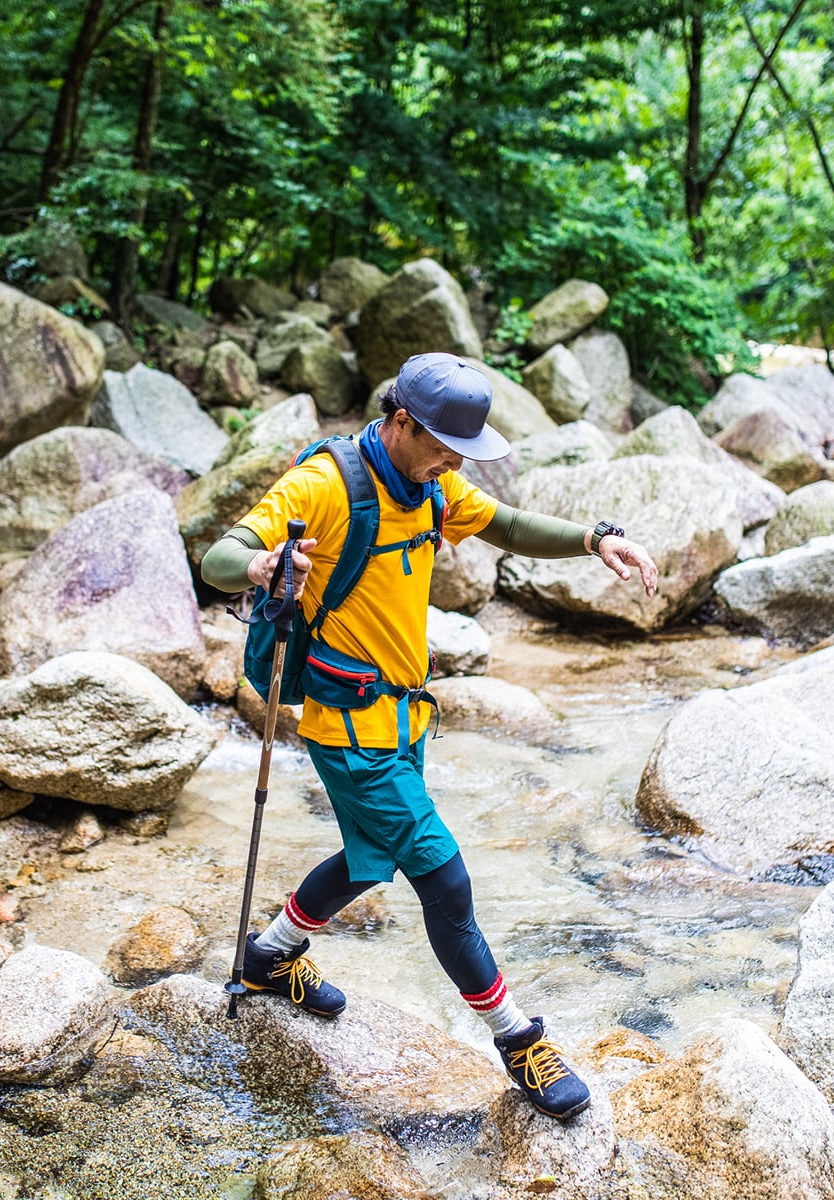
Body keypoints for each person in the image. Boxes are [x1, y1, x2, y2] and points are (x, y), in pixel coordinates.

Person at [199, 352, 659, 1121]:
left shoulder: (431, 483)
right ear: (402, 420)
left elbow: (505, 524)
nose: (454, 465)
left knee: (369, 858)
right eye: (445, 447)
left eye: (462, 453)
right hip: (348, 727)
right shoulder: (327, 484)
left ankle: (268, 957)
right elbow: (216, 558)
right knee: (444, 882)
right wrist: (262, 562)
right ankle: (518, 1042)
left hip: (403, 716)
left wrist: (595, 538)